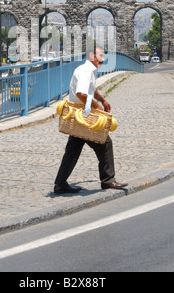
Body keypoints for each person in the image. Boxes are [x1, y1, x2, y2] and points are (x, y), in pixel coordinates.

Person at [54, 47, 128, 194]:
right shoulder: (86, 71)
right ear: (91, 56)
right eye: (100, 56)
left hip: (79, 117)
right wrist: (97, 107)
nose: (102, 59)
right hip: (84, 116)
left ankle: (60, 184)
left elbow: (90, 90)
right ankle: (108, 180)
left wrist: (103, 100)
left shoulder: (88, 70)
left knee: (72, 150)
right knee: (105, 143)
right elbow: (81, 93)